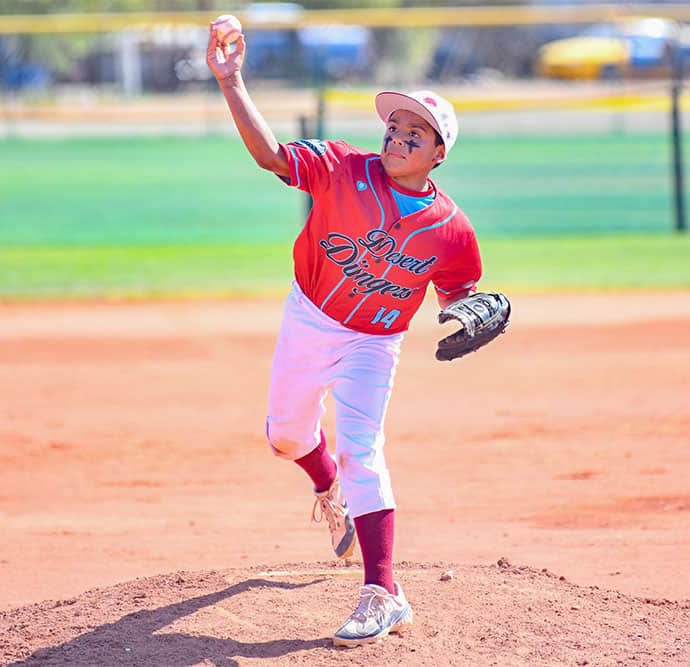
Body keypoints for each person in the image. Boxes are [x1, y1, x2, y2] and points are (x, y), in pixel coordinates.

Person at [206, 15, 483, 647]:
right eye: (394, 125)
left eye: (417, 131)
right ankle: (322, 481)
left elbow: (462, 290)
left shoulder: (452, 229)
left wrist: (473, 311)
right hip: (309, 317)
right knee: (283, 436)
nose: (399, 135)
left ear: (440, 153)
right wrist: (231, 82)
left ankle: (382, 591)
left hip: (374, 343)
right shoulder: (339, 169)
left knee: (364, 446)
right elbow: (271, 156)